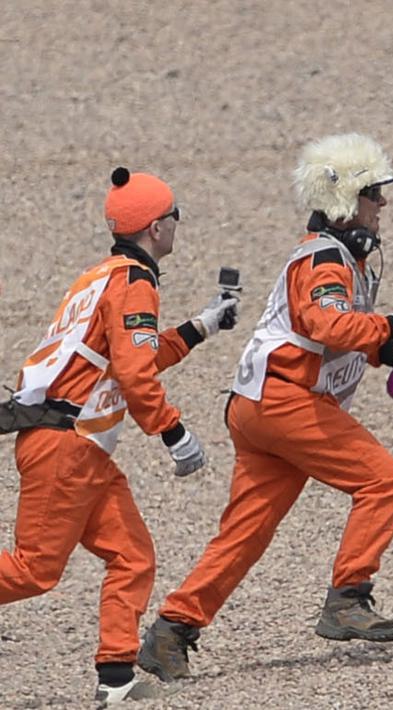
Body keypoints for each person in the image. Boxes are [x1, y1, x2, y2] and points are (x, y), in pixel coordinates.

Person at [137, 134, 393, 682]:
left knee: (245, 532)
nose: (382, 203)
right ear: (346, 201)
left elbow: (331, 334)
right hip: (286, 401)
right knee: (383, 482)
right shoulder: (325, 259)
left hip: (257, 405)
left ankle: (171, 631)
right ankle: (349, 598)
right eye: (373, 193)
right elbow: (328, 324)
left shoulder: (330, 255)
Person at [0, 167, 239, 705]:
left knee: (132, 556)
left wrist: (201, 326)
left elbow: (132, 358)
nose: (177, 224)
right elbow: (134, 375)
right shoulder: (135, 284)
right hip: (67, 446)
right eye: (175, 215)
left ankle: (115, 678)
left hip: (80, 447)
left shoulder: (102, 276)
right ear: (156, 227)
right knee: (35, 570)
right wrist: (173, 433)